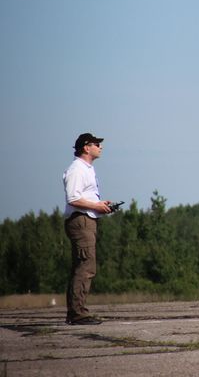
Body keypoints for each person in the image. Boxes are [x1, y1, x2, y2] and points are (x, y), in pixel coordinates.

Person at [63, 133, 113, 325]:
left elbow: (82, 197)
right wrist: (96, 206)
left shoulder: (86, 169)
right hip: (81, 221)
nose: (100, 147)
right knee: (86, 267)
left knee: (83, 266)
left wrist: (99, 204)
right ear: (86, 147)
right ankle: (78, 314)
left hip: (86, 220)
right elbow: (73, 198)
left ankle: (76, 312)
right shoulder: (77, 169)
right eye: (96, 144)